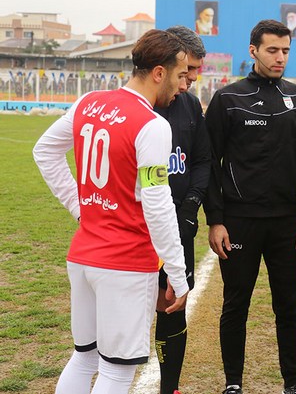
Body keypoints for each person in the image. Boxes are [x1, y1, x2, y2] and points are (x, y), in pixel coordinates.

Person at [32, 29, 189, 394]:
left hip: (83, 255)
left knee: (84, 358)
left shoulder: (89, 101)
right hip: (126, 263)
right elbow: (157, 203)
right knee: (117, 372)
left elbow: (45, 151)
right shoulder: (153, 125)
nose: (184, 85)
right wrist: (178, 274)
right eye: (181, 75)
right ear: (159, 73)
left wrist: (80, 207)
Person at [204, 19, 296, 394]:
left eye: (285, 51)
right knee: (235, 305)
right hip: (239, 223)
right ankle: (233, 384)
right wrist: (216, 221)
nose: (280, 57)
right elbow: (210, 163)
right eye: (272, 50)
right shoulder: (227, 99)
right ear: (253, 50)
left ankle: (293, 384)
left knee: (288, 307)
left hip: (287, 224)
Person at [153, 25, 211, 394]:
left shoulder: (190, 105)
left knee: (172, 306)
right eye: (185, 70)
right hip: (136, 229)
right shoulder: (139, 104)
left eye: (196, 72)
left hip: (179, 226)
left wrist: (190, 208)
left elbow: (202, 160)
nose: (189, 80)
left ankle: (169, 387)